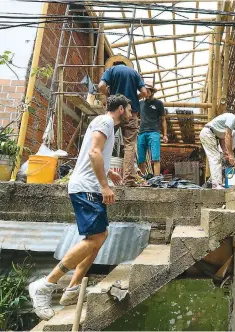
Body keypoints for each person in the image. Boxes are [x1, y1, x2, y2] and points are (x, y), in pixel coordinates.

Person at [28, 95, 132, 321]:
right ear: (121, 109)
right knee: (94, 239)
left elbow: (95, 154)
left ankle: (73, 289)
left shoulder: (107, 126)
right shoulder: (105, 122)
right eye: (131, 109)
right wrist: (105, 186)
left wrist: (108, 172)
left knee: (100, 236)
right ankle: (45, 285)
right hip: (87, 188)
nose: (132, 114)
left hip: (90, 187)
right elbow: (94, 152)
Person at [98, 54, 148, 186]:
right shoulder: (134, 73)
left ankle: (98, 175)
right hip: (130, 113)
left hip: (114, 113)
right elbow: (144, 92)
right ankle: (129, 180)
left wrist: (110, 95)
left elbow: (101, 86)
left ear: (114, 63)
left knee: (103, 141)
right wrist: (134, 98)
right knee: (130, 145)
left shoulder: (111, 71)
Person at [200, 113, 235, 189]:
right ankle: (216, 184)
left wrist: (225, 152)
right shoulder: (232, 118)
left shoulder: (228, 123)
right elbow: (227, 136)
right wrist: (231, 154)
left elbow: (222, 138)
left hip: (210, 134)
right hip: (208, 133)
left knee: (217, 158)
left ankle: (216, 183)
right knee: (215, 158)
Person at [138, 82, 167, 176]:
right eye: (144, 90)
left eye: (147, 90)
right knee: (141, 159)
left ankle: (157, 179)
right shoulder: (140, 103)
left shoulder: (158, 103)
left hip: (154, 132)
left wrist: (165, 135)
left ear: (152, 91)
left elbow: (163, 120)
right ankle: (142, 180)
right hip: (141, 133)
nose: (145, 92)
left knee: (155, 158)